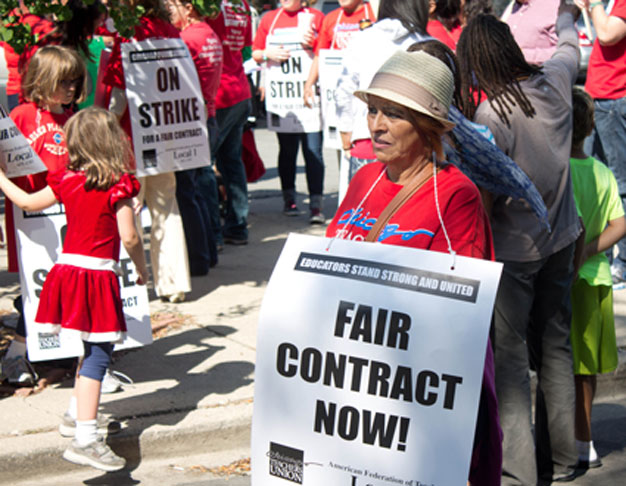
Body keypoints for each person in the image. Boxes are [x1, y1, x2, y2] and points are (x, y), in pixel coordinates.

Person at [326, 49, 502, 486]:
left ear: (427, 128)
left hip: (410, 403)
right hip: (354, 389)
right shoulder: (364, 179)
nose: (376, 125)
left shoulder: (456, 195)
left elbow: (460, 309)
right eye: (372, 111)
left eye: (394, 115)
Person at [457, 5, 582, 484]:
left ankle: (520, 474)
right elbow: (569, 42)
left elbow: (486, 199)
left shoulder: (494, 112)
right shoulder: (555, 81)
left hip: (514, 256)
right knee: (556, 348)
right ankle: (567, 459)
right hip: (563, 239)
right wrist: (569, 12)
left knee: (510, 364)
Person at [0, 107, 148, 472]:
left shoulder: (67, 180)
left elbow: (26, 202)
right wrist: (143, 270)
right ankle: (85, 438)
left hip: (66, 272)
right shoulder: (119, 185)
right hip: (96, 277)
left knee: (88, 347)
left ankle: (72, 414)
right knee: (99, 354)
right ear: (113, 141)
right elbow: (129, 236)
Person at [0, 46, 87, 387]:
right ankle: (17, 353)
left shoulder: (71, 119)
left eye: (74, 82)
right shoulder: (21, 115)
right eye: (63, 81)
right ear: (43, 80)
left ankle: (56, 348)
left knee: (59, 281)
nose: (69, 89)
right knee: (37, 282)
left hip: (67, 216)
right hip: (29, 214)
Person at [103, 0, 191, 303]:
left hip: (131, 139)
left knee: (128, 211)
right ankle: (173, 284)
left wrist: (105, 130)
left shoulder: (129, 34)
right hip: (165, 134)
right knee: (166, 210)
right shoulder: (170, 31)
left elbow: (118, 96)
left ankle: (134, 288)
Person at [569, 86, 626, 470]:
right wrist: (590, 250)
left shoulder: (555, 172)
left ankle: (558, 439)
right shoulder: (602, 172)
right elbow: (619, 223)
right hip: (594, 279)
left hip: (558, 280)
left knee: (556, 365)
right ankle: (584, 441)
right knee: (584, 369)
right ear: (591, 127)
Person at [335, 0, 431, 181]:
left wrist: (345, 131)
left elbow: (343, 90)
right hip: (414, 146)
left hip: (366, 139)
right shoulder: (429, 43)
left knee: (364, 206)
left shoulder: (362, 39)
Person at [252, 0, 326, 223]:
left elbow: (326, 50)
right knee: (287, 150)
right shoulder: (269, 18)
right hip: (283, 99)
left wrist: (313, 43)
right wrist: (267, 53)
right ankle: (289, 199)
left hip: (309, 97)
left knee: (313, 151)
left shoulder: (315, 17)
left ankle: (316, 204)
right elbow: (255, 53)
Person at [166, 0, 224, 274]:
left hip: (195, 121)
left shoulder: (187, 39)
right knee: (198, 189)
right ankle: (208, 252)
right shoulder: (209, 34)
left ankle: (199, 259)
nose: (169, 11)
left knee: (187, 192)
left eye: (172, 5)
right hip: (207, 117)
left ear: (188, 7)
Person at [573, 0, 626, 283]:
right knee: (596, 181)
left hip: (615, 100)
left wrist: (592, 4)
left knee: (620, 184)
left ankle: (622, 264)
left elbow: (606, 34)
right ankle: (598, 255)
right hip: (602, 98)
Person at [208, 0, 255, 243]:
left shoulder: (213, 5)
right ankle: (237, 226)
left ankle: (212, 233)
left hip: (220, 95)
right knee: (232, 162)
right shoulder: (241, 4)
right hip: (238, 89)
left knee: (204, 166)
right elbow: (244, 44)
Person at [303, 0, 377, 107]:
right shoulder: (330, 18)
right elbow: (320, 55)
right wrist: (309, 84)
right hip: (338, 89)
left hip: (368, 87)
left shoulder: (375, 13)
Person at [501, 0, 560, 65]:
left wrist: (522, 54)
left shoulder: (555, 7)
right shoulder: (512, 7)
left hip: (539, 72)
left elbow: (564, 51)